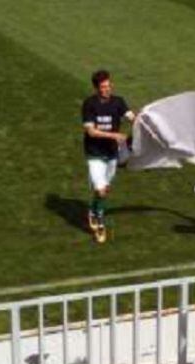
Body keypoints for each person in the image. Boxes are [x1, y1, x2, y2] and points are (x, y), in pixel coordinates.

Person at [81, 69, 135, 243]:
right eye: (103, 86)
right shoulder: (89, 104)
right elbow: (91, 132)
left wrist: (144, 120)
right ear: (97, 88)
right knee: (101, 190)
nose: (107, 88)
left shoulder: (118, 102)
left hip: (112, 153)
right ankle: (99, 221)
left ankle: (92, 210)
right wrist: (115, 136)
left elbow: (131, 116)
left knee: (105, 190)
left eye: (109, 85)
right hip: (95, 153)